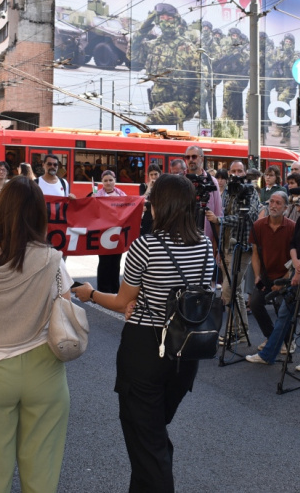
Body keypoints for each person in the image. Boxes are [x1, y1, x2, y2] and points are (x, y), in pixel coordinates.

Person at [72, 174, 214, 492]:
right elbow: (199, 294)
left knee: (149, 446)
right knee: (151, 438)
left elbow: (123, 300)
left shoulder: (146, 246)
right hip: (185, 351)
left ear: (160, 207)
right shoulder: (205, 246)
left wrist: (90, 294)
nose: (147, 206)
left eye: (150, 201)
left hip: (145, 350)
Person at [0, 177, 72, 492]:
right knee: (41, 472)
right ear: (39, 213)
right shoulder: (51, 259)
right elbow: (65, 308)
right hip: (44, 371)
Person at [246, 182, 300, 370]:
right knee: (286, 313)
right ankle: (268, 354)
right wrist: (296, 264)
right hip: (299, 270)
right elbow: (294, 245)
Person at [206, 160, 261, 343]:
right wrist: (219, 248)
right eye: (233, 171)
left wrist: (219, 220)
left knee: (228, 290)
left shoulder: (251, 191)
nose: (236, 173)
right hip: (227, 246)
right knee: (234, 291)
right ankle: (242, 332)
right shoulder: (228, 191)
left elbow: (248, 217)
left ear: (245, 172)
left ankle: (232, 332)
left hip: (243, 246)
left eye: (240, 170)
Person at [130, 3, 204, 127]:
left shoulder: (188, 48)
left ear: (177, 21)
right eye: (162, 19)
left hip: (180, 104)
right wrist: (147, 24)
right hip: (158, 104)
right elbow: (133, 53)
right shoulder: (154, 45)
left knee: (152, 121)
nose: (166, 22)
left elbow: (201, 82)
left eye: (170, 19)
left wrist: (192, 108)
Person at [246, 191, 295, 352]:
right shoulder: (259, 225)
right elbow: (255, 253)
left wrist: (285, 279)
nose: (273, 206)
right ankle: (272, 338)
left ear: (285, 208)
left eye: (278, 203)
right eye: (271, 202)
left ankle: (289, 341)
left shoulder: (292, 227)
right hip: (266, 275)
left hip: (285, 276)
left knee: (283, 307)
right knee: (255, 303)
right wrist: (257, 276)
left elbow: (296, 258)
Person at [94, 170, 127, 293]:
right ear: (102, 182)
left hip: (117, 232)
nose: (108, 183)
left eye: (110, 180)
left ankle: (114, 288)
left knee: (116, 261)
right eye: (105, 180)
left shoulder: (122, 194)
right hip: (102, 232)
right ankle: (102, 289)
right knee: (104, 261)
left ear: (115, 181)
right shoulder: (96, 194)